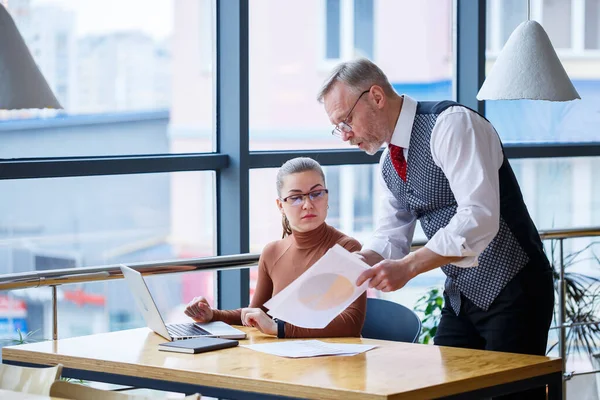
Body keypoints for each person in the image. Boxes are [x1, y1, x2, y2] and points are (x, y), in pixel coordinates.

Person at [318, 58, 554, 398]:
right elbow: (390, 235)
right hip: (461, 297)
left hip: (515, 287)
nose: (345, 136)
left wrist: (409, 267)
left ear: (376, 97)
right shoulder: (389, 163)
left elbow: (478, 215)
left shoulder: (451, 124)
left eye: (346, 121)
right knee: (440, 392)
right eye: (338, 127)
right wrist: (353, 265)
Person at [185, 157, 366, 338]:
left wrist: (279, 328)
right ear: (281, 205)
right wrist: (212, 315)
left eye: (316, 193)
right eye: (295, 197)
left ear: (327, 196)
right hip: (283, 360)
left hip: (336, 362)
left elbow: (351, 324)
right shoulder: (272, 252)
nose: (308, 204)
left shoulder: (347, 248)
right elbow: (255, 314)